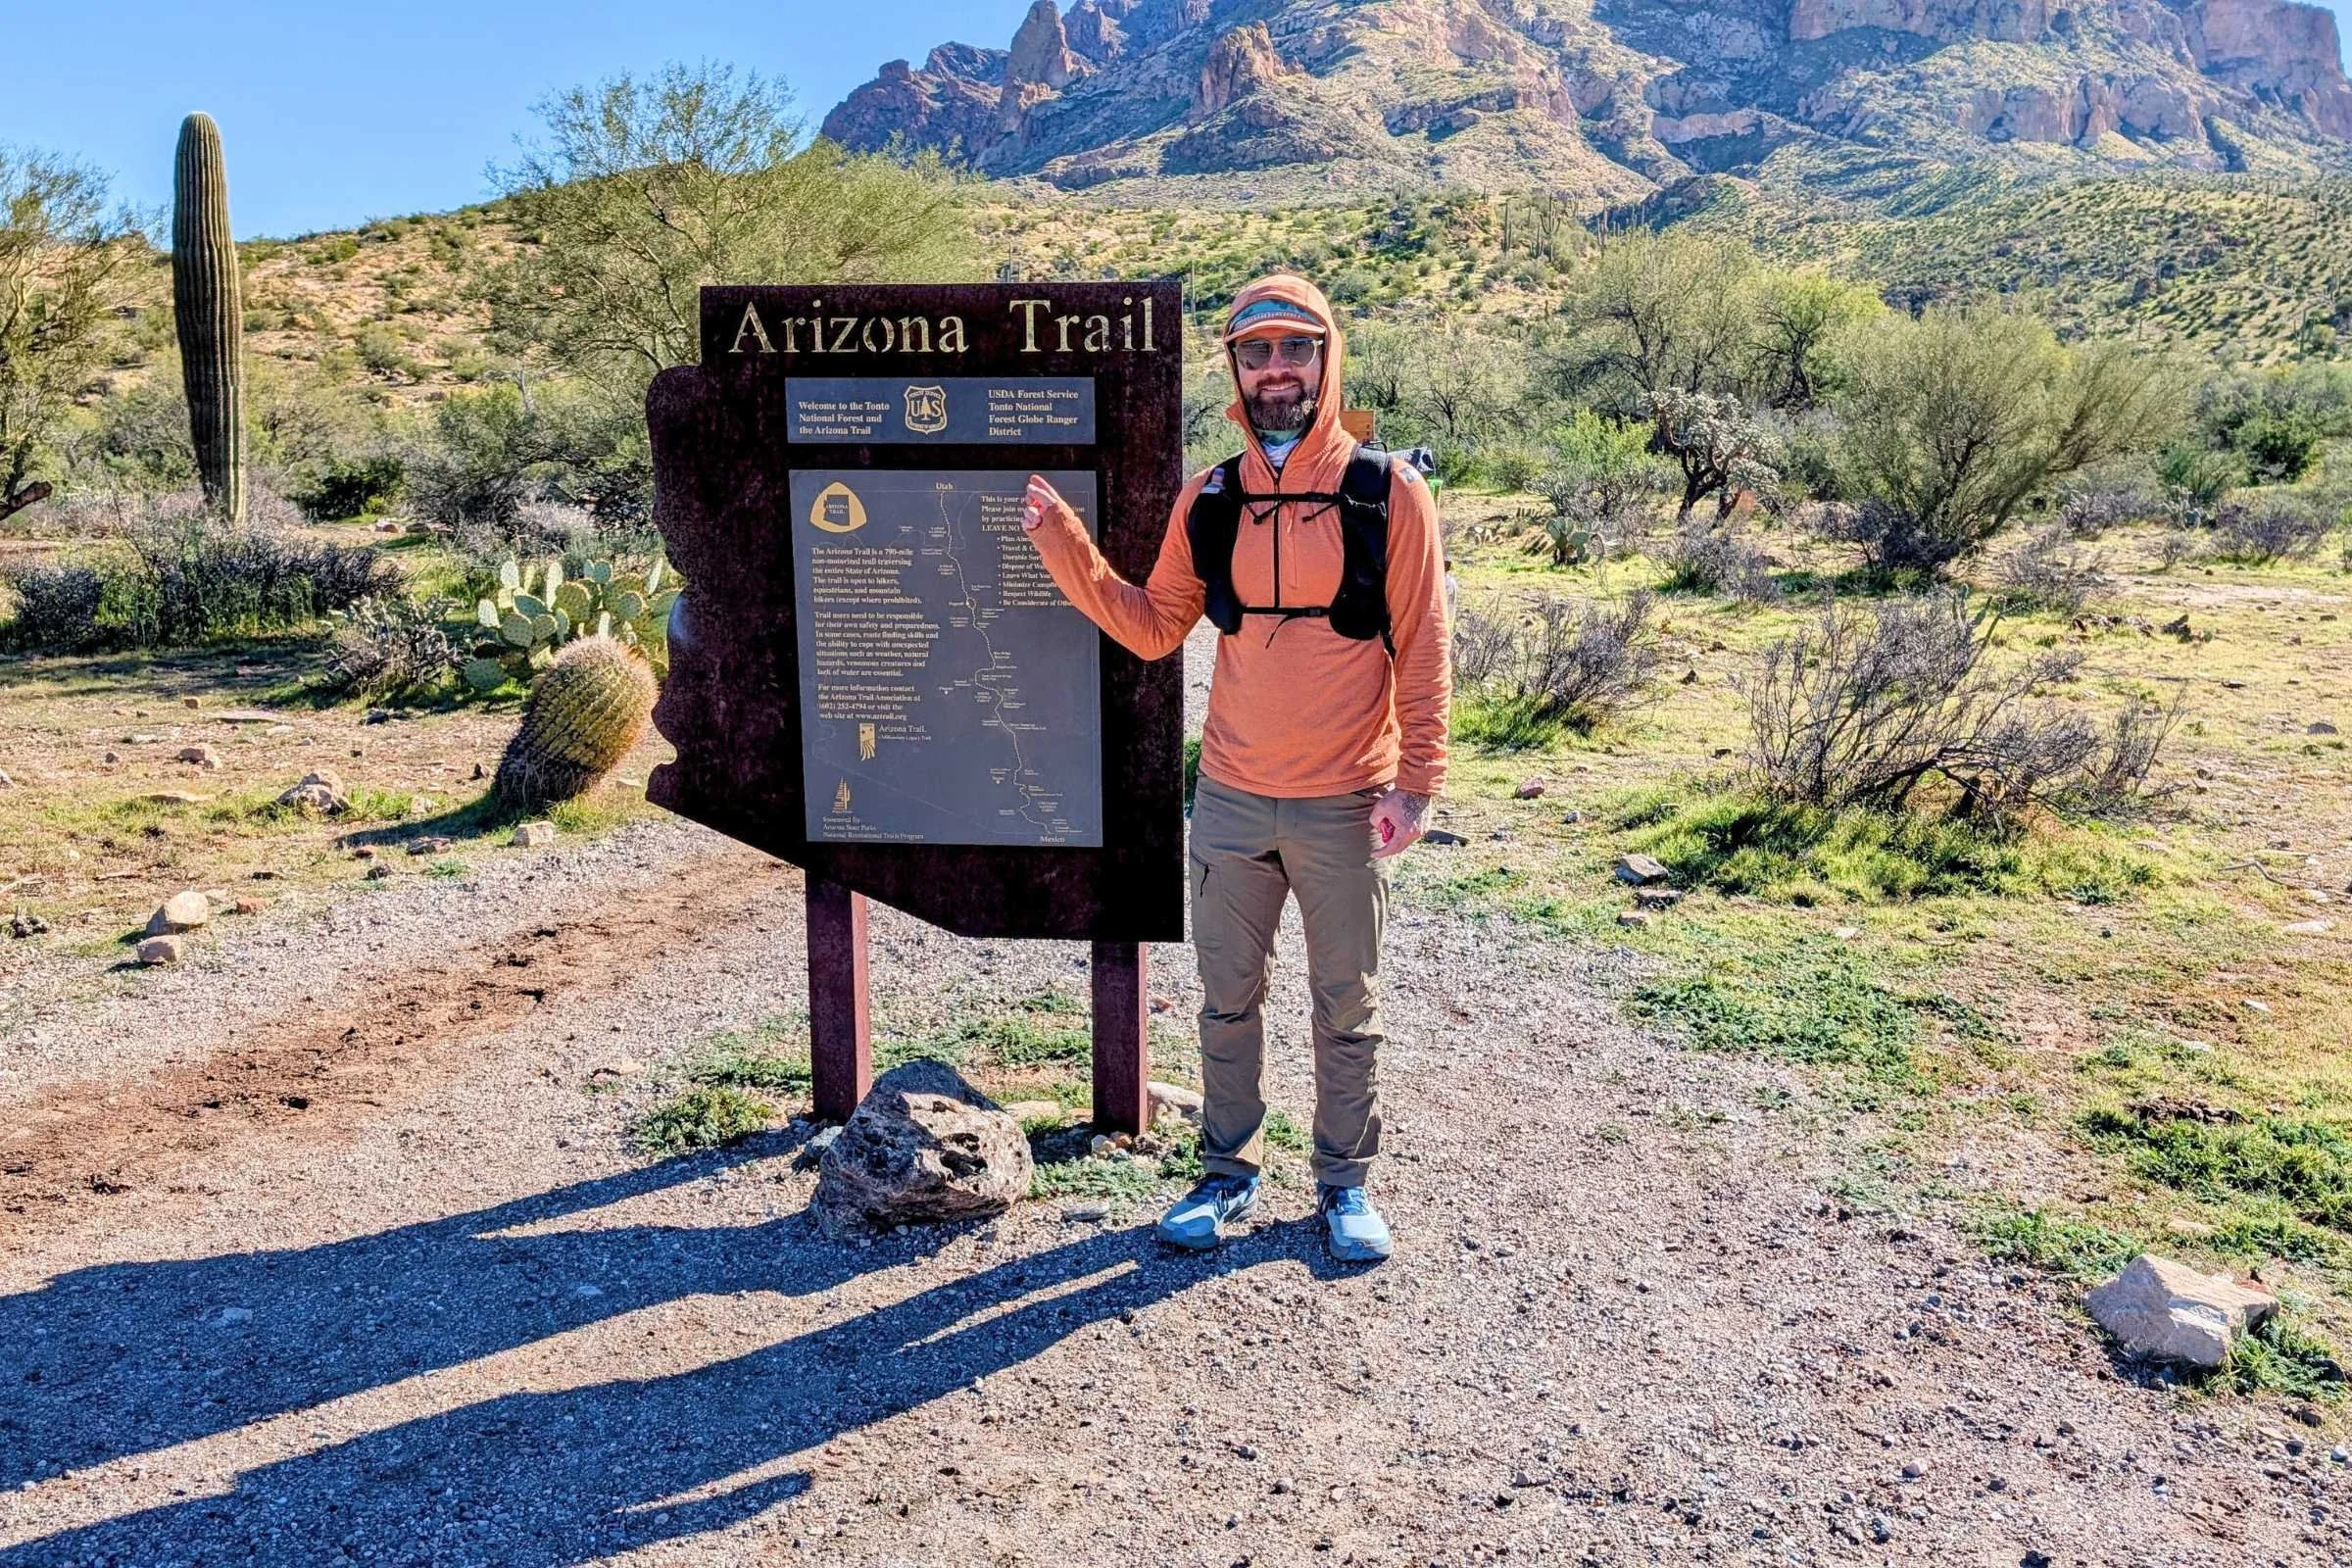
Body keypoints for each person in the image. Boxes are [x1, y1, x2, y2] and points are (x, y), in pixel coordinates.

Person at [1019, 273, 1451, 1263]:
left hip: (1347, 798)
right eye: (1256, 353)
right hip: (1229, 801)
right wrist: (1064, 544)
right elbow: (1154, 623)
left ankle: (1344, 1185)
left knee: (1348, 1003)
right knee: (1226, 1000)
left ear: (1326, 359)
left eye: (1294, 349)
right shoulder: (1211, 497)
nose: (1275, 370)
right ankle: (1228, 1173)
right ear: (1235, 368)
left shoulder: (1390, 493)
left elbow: (1424, 643)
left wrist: (1416, 780)